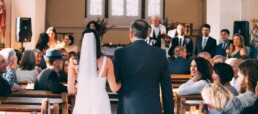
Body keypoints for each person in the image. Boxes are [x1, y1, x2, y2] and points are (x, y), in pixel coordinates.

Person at [113, 19, 174, 114]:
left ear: (131, 33)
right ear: (147, 34)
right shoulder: (160, 54)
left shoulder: (120, 54)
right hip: (152, 107)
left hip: (127, 107)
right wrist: (169, 112)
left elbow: (115, 83)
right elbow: (166, 87)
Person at [71, 29, 121, 114]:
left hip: (83, 101)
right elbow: (114, 88)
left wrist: (82, 87)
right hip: (100, 103)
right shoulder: (107, 61)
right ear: (98, 43)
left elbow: (71, 90)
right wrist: (123, 81)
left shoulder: (73, 62)